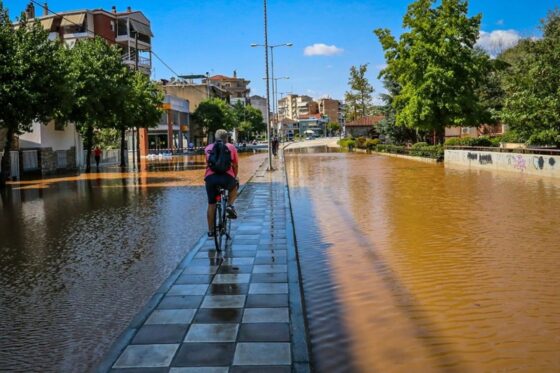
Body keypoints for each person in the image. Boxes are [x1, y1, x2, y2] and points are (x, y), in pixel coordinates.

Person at [204, 129, 239, 237]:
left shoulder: (208, 148)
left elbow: (208, 163)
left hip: (210, 178)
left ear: (215, 138)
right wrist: (235, 176)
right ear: (226, 138)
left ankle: (211, 231)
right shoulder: (231, 147)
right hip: (226, 177)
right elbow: (235, 165)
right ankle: (229, 205)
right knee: (234, 186)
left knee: (211, 204)